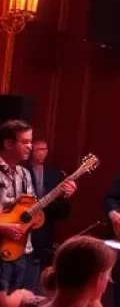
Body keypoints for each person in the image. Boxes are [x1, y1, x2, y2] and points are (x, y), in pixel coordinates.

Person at [0, 119, 75, 294]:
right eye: (25, 142)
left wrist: (61, 194)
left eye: (31, 142)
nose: (30, 147)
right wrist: (3, 227)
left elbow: (34, 210)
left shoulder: (24, 174)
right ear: (8, 143)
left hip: (22, 249)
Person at [24, 137, 71, 292]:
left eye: (45, 149)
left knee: (41, 269)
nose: (42, 153)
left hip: (45, 230)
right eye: (39, 149)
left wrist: (64, 196)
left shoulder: (54, 173)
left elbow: (64, 211)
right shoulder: (22, 170)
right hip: (23, 227)